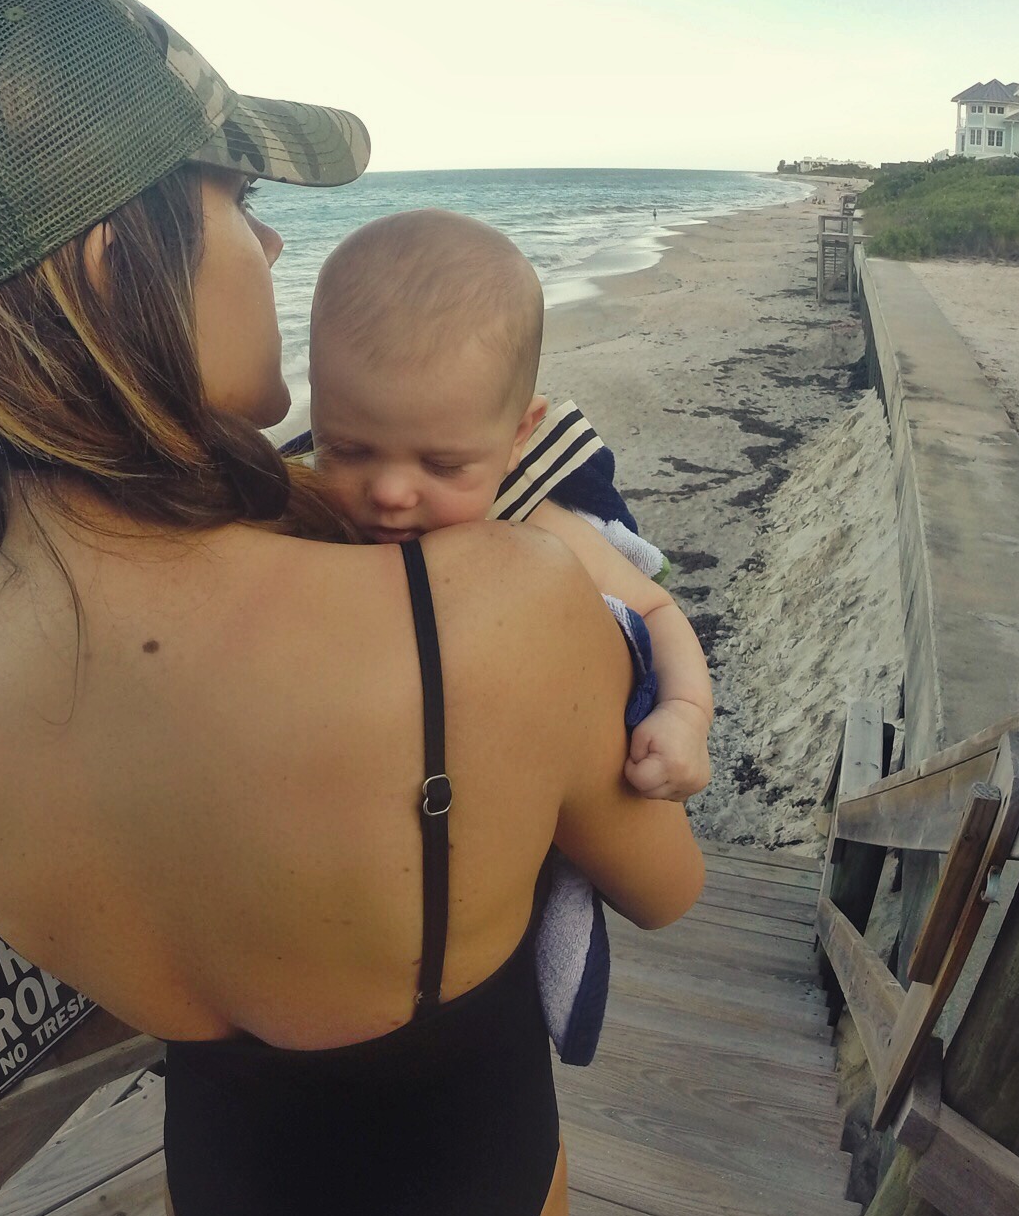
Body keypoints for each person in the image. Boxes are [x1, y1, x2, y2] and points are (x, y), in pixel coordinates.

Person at [0, 0, 705, 1216]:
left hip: (228, 1190)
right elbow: (663, 888)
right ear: (116, 263)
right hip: (460, 1188)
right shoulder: (482, 605)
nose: (274, 247)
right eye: (239, 198)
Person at [304, 209, 714, 804]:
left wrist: (685, 713)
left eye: (442, 465)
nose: (390, 492)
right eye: (345, 450)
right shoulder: (301, 512)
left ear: (518, 436)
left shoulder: (530, 523)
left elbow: (653, 609)